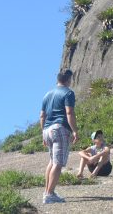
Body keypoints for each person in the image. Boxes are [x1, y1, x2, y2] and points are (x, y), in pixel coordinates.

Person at [40, 69, 79, 204]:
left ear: (57, 80)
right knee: (57, 163)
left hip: (47, 130)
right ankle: (49, 195)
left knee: (51, 161)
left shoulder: (47, 94)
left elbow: (42, 116)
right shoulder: (68, 93)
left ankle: (47, 191)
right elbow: (69, 112)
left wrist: (43, 133)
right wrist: (74, 130)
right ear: (68, 80)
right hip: (60, 128)